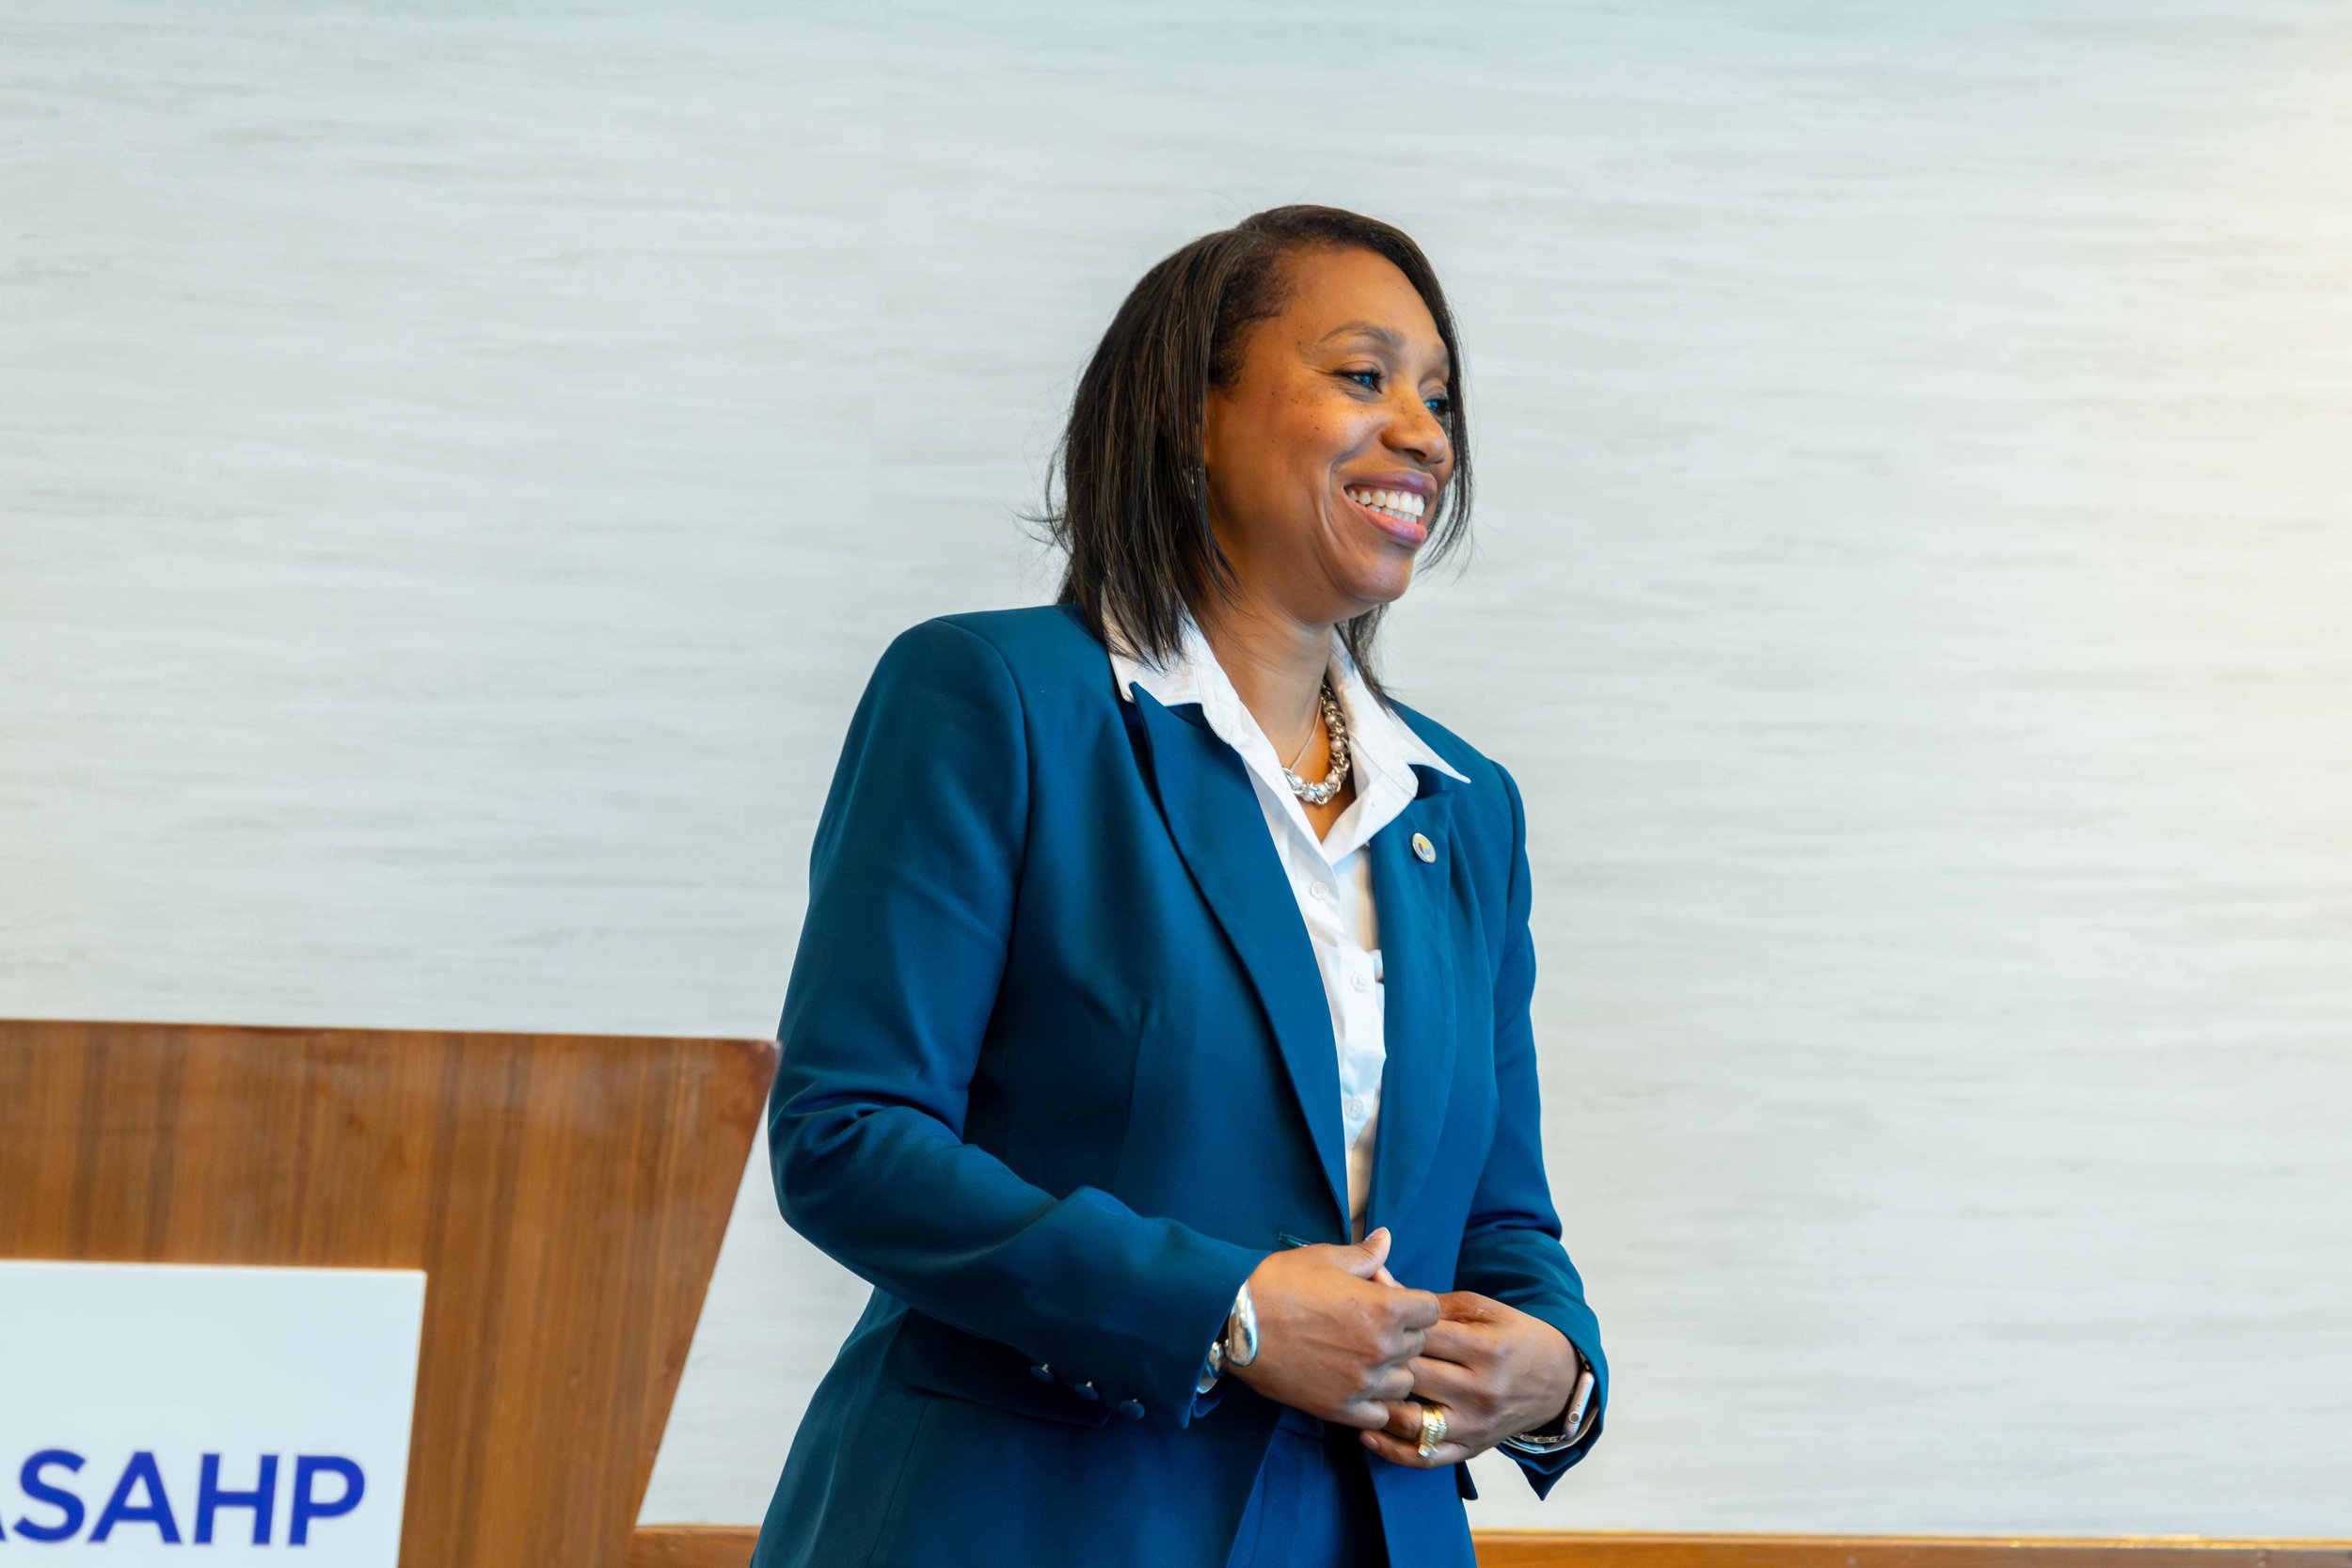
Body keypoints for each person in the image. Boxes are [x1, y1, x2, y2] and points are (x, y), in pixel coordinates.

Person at [748, 204, 1608, 1568]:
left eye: (1440, 397)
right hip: (1024, 1527)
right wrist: (1231, 1309)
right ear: (1190, 413)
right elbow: (849, 1137)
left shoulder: (1463, 808)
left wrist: (1556, 1375)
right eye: (1364, 376)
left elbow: (1499, 1215)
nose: (1428, 433)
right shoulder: (1001, 700)